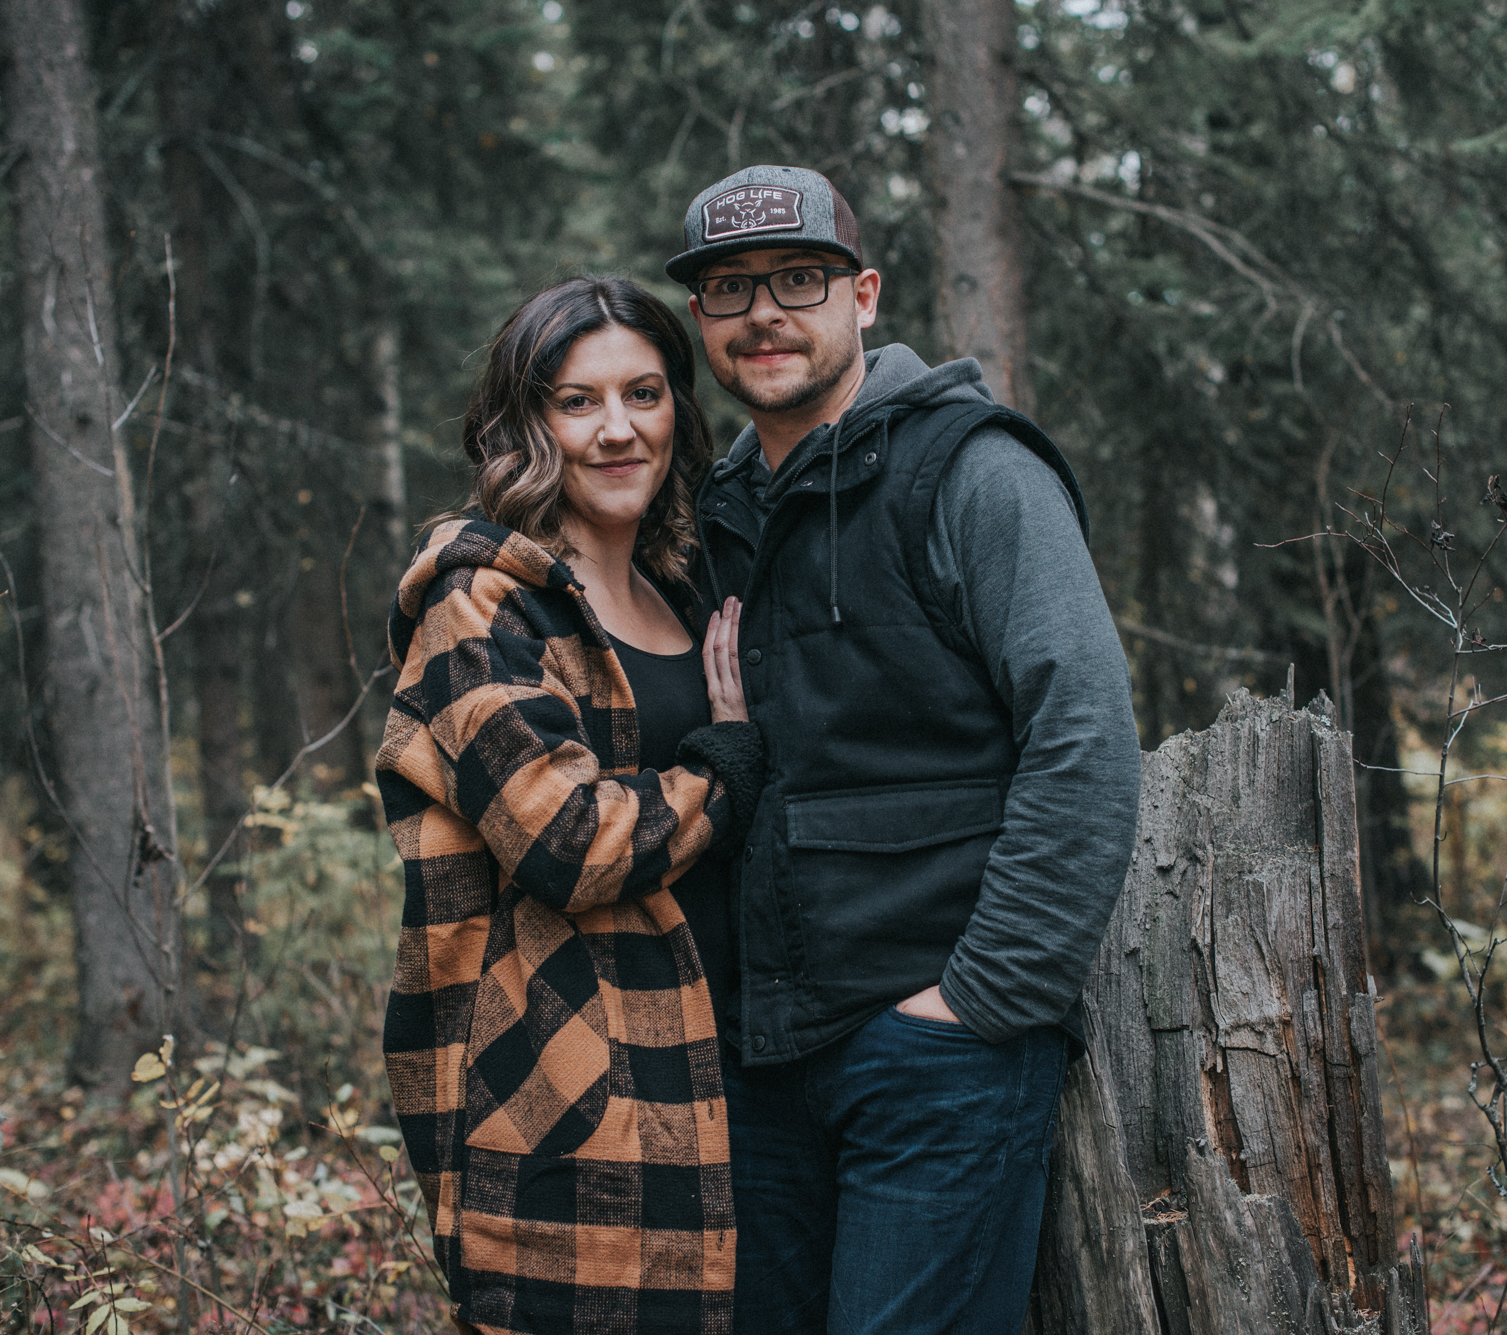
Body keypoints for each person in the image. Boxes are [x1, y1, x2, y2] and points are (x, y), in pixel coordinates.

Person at [667, 165, 1143, 1333]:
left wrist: (984, 999)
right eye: (729, 289)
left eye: (797, 279)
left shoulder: (973, 471)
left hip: (938, 1052)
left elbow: (1082, 733)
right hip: (759, 1061)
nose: (762, 314)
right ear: (699, 319)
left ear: (863, 295)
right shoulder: (714, 512)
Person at [374, 276, 764, 1335]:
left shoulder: (683, 586)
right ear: (527, 424)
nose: (617, 429)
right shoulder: (482, 607)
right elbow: (565, 839)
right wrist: (720, 769)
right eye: (577, 401)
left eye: (643, 393)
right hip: (566, 1094)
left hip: (727, 1074)